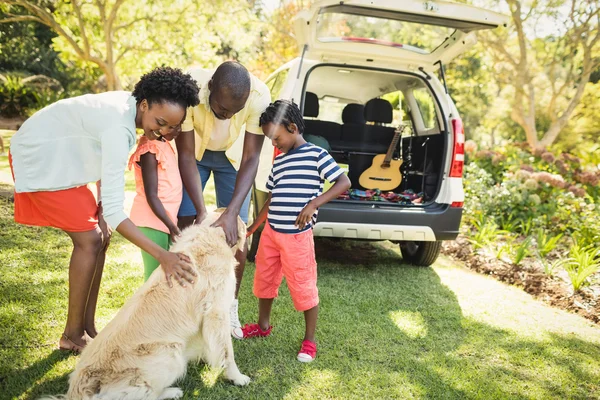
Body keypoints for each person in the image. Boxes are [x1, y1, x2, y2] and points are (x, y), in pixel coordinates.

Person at [9, 67, 200, 353]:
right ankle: (72, 336)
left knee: (101, 237)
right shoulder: (119, 125)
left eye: (173, 127)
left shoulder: (129, 110)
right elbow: (115, 208)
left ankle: (87, 328)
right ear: (144, 104)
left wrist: (99, 210)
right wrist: (163, 255)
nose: (164, 132)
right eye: (161, 123)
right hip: (41, 158)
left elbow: (99, 156)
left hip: (68, 161)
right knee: (89, 240)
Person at [232, 100, 351, 363]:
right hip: (271, 235)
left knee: (302, 285)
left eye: (276, 138)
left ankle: (309, 340)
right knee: (264, 280)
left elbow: (343, 181)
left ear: (293, 127)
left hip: (297, 236)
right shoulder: (280, 161)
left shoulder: (317, 155)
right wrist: (255, 227)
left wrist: (313, 203)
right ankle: (263, 327)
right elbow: (272, 198)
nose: (274, 144)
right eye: (270, 140)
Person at [175, 61, 270, 331]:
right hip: (195, 154)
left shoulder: (259, 96)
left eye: (235, 112)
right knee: (186, 221)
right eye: (222, 109)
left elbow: (252, 156)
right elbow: (185, 154)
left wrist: (231, 212)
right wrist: (202, 212)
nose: (228, 116)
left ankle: (230, 306)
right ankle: (188, 302)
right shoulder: (191, 86)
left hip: (236, 158)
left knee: (235, 232)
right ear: (211, 88)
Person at [128, 124, 183, 281]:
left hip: (164, 220)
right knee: (154, 277)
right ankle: (147, 306)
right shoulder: (149, 150)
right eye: (173, 126)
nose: (178, 129)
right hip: (151, 221)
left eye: (180, 124)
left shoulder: (164, 143)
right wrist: (172, 226)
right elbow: (151, 195)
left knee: (165, 275)